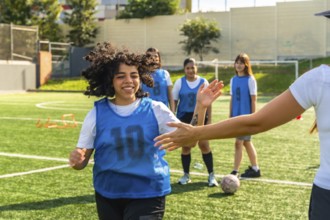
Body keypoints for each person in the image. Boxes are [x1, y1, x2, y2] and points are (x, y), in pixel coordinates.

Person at [154, 11, 330, 219]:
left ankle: (249, 166)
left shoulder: (321, 79)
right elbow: (256, 123)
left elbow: (256, 122)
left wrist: (196, 132)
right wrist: (198, 122)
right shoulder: (320, 80)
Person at [68, 42, 223, 220]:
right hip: (108, 193)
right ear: (109, 79)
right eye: (120, 76)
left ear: (141, 78)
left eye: (134, 75)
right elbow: (81, 162)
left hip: (148, 192)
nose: (128, 81)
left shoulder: (156, 109)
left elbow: (189, 141)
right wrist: (77, 159)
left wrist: (200, 107)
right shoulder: (96, 113)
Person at [172, 57, 218, 187]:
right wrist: (174, 118)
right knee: (186, 146)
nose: (190, 70)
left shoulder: (203, 81)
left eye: (192, 67)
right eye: (188, 68)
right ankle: (186, 175)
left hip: (200, 117)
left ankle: (211, 175)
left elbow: (208, 102)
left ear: (196, 68)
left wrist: (209, 119)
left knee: (204, 145)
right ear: (184, 69)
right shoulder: (179, 82)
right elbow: (174, 101)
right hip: (184, 117)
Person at [229, 53, 260, 178]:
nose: (239, 65)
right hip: (236, 117)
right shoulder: (233, 79)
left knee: (238, 143)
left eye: (241, 63)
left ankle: (235, 171)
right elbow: (232, 99)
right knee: (246, 142)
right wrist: (230, 115)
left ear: (246, 65)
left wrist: (253, 117)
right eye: (237, 62)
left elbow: (253, 99)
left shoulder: (250, 79)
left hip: (246, 117)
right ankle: (255, 169)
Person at [142, 47, 175, 112]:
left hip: (163, 110)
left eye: (156, 56)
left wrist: (172, 111)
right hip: (147, 111)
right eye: (150, 56)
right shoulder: (142, 75)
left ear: (159, 59)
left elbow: (170, 96)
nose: (153, 58)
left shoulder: (165, 73)